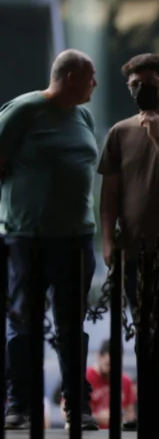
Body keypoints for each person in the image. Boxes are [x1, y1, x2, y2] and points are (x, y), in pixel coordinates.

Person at [0, 49, 100, 431]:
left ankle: (77, 405)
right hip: (28, 237)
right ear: (71, 76)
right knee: (23, 323)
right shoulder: (24, 111)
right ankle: (19, 404)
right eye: (90, 76)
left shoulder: (84, 116)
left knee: (71, 326)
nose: (95, 83)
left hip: (77, 238)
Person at [98, 53, 159, 424]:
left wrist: (155, 133)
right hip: (137, 255)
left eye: (148, 84)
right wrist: (107, 239)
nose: (141, 91)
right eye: (134, 86)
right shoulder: (119, 132)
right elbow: (110, 194)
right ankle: (154, 418)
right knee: (148, 345)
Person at [85, 339, 137, 429]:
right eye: (108, 364)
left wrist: (122, 418)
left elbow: (131, 414)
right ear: (99, 357)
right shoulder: (86, 377)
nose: (111, 369)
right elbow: (66, 411)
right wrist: (97, 417)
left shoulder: (125, 381)